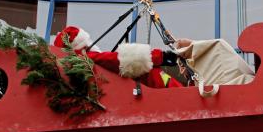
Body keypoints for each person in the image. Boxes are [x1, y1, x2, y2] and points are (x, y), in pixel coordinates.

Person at [53, 26, 182, 88]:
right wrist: (160, 56)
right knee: (151, 71)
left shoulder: (89, 60)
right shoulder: (90, 58)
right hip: (160, 91)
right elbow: (120, 58)